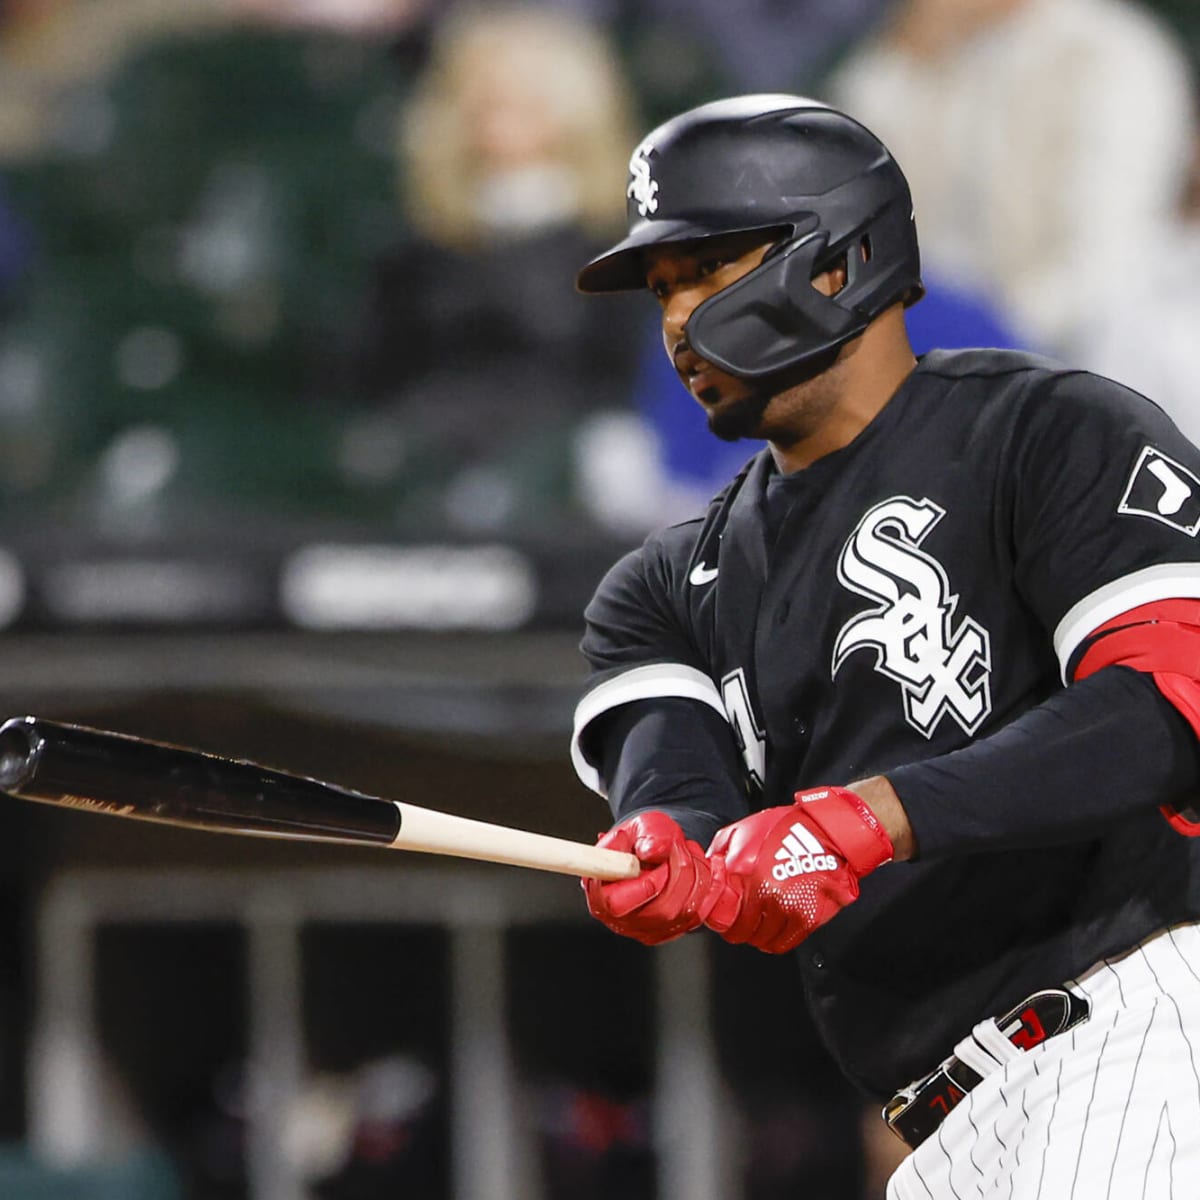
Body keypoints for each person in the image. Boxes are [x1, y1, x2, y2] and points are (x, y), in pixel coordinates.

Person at [569, 93, 1200, 1198]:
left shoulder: (1050, 430)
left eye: (708, 269)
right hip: (944, 1123)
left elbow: (1171, 703)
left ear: (838, 260)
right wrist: (669, 844)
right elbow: (672, 771)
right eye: (662, 288)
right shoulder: (663, 586)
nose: (677, 319)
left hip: (1134, 1020)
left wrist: (868, 820)